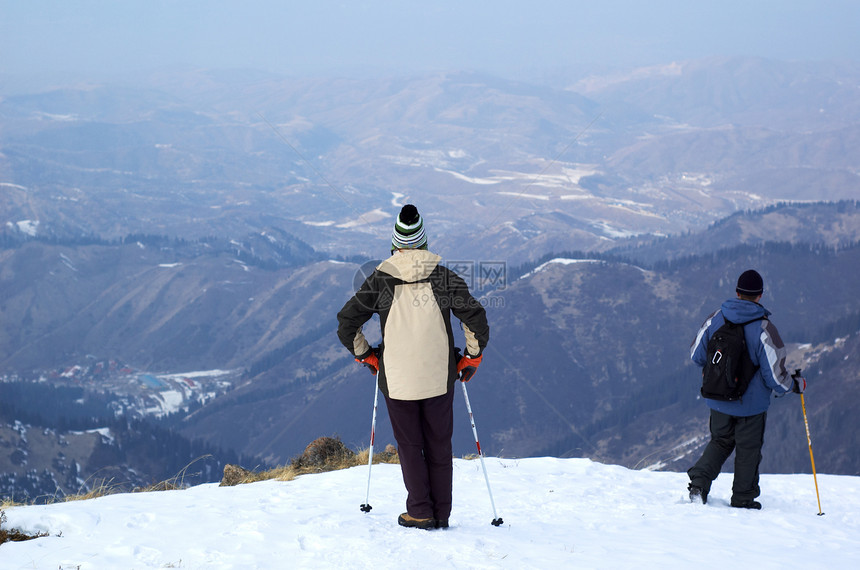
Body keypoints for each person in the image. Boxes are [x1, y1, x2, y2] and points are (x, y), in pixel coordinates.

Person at [337, 204, 490, 530]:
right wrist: (471, 358)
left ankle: (420, 511)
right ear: (423, 242)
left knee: (410, 445)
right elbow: (475, 320)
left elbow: (347, 325)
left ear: (395, 244)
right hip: (440, 376)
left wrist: (368, 357)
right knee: (439, 444)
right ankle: (441, 514)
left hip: (397, 379)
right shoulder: (445, 277)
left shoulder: (379, 281)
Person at [687, 269, 806, 509]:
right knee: (748, 450)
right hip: (751, 406)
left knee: (720, 441)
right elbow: (774, 377)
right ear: (760, 296)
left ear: (737, 293)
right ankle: (743, 498)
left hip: (717, 398)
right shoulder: (765, 329)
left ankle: (699, 484)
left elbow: (695, 354)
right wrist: (793, 386)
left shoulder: (715, 318)